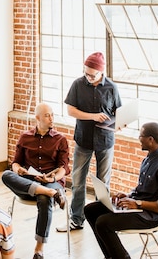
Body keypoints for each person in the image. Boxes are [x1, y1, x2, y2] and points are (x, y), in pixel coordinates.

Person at [84, 122, 158, 259]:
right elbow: (144, 189)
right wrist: (127, 196)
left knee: (103, 222)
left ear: (150, 140)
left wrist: (138, 204)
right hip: (137, 207)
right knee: (91, 210)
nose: (138, 138)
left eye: (141, 136)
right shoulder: (148, 160)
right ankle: (110, 256)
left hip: (150, 216)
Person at [57, 52, 121, 232]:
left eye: (92, 75)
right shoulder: (78, 84)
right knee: (78, 181)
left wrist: (119, 124)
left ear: (101, 72)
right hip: (83, 140)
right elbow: (71, 110)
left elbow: (118, 113)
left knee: (103, 183)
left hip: (106, 141)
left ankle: (102, 220)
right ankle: (76, 219)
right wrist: (93, 117)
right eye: (86, 73)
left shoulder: (112, 88)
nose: (88, 77)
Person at [1, 103, 70, 259]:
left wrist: (52, 178)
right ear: (37, 118)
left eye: (52, 114)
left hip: (50, 181)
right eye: (47, 115)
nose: (51, 118)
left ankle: (39, 249)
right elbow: (15, 163)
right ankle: (51, 193)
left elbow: (64, 168)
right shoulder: (25, 137)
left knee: (44, 199)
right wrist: (18, 169)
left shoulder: (60, 139)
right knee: (6, 174)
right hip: (28, 181)